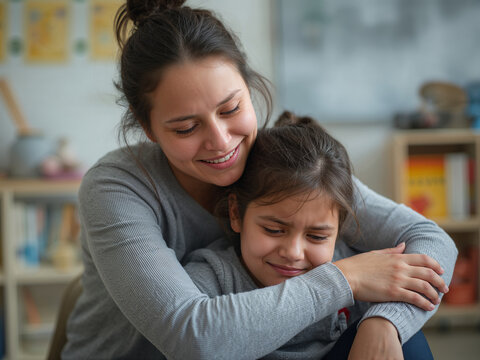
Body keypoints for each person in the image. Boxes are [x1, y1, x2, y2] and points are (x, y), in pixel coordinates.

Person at [62, 1, 457, 359]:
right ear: (147, 125)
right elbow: (194, 338)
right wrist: (346, 278)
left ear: (249, 89)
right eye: (185, 128)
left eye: (231, 108)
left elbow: (432, 240)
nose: (221, 142)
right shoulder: (115, 189)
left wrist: (386, 321)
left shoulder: (275, 161)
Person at [183, 111, 433, 359]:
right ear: (236, 213)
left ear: (338, 230)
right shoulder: (208, 282)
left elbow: (429, 257)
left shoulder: (363, 272)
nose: (293, 252)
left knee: (405, 339)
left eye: (316, 236)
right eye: (273, 230)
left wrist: (385, 322)